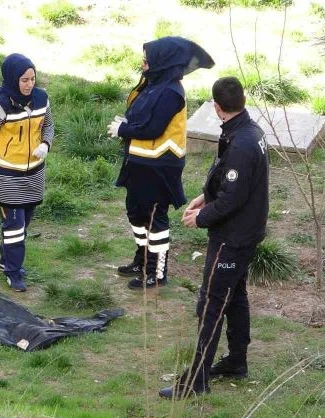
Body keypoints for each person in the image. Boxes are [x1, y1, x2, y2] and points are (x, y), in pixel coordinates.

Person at [159, 76, 269, 399]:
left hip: (233, 238)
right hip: (247, 232)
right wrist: (205, 197)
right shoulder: (248, 131)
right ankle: (236, 360)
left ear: (217, 108)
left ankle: (197, 380)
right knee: (235, 295)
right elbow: (228, 180)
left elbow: (233, 198)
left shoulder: (242, 144)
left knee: (211, 303)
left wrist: (201, 217)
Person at [107, 37, 214, 290]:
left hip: (159, 166)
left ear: (163, 61)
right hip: (140, 162)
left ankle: (157, 272)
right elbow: (143, 118)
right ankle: (142, 261)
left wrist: (124, 129)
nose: (144, 62)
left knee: (155, 218)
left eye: (148, 57)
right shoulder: (154, 83)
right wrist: (128, 123)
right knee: (136, 213)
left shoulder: (171, 92)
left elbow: (154, 128)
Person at [0, 53, 54, 292]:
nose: (29, 84)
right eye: (24, 80)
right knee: (14, 225)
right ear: (12, 79)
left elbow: (49, 125)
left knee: (23, 224)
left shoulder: (42, 98)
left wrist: (45, 144)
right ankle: (14, 273)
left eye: (32, 78)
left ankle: (5, 261)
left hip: (34, 174)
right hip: (5, 175)